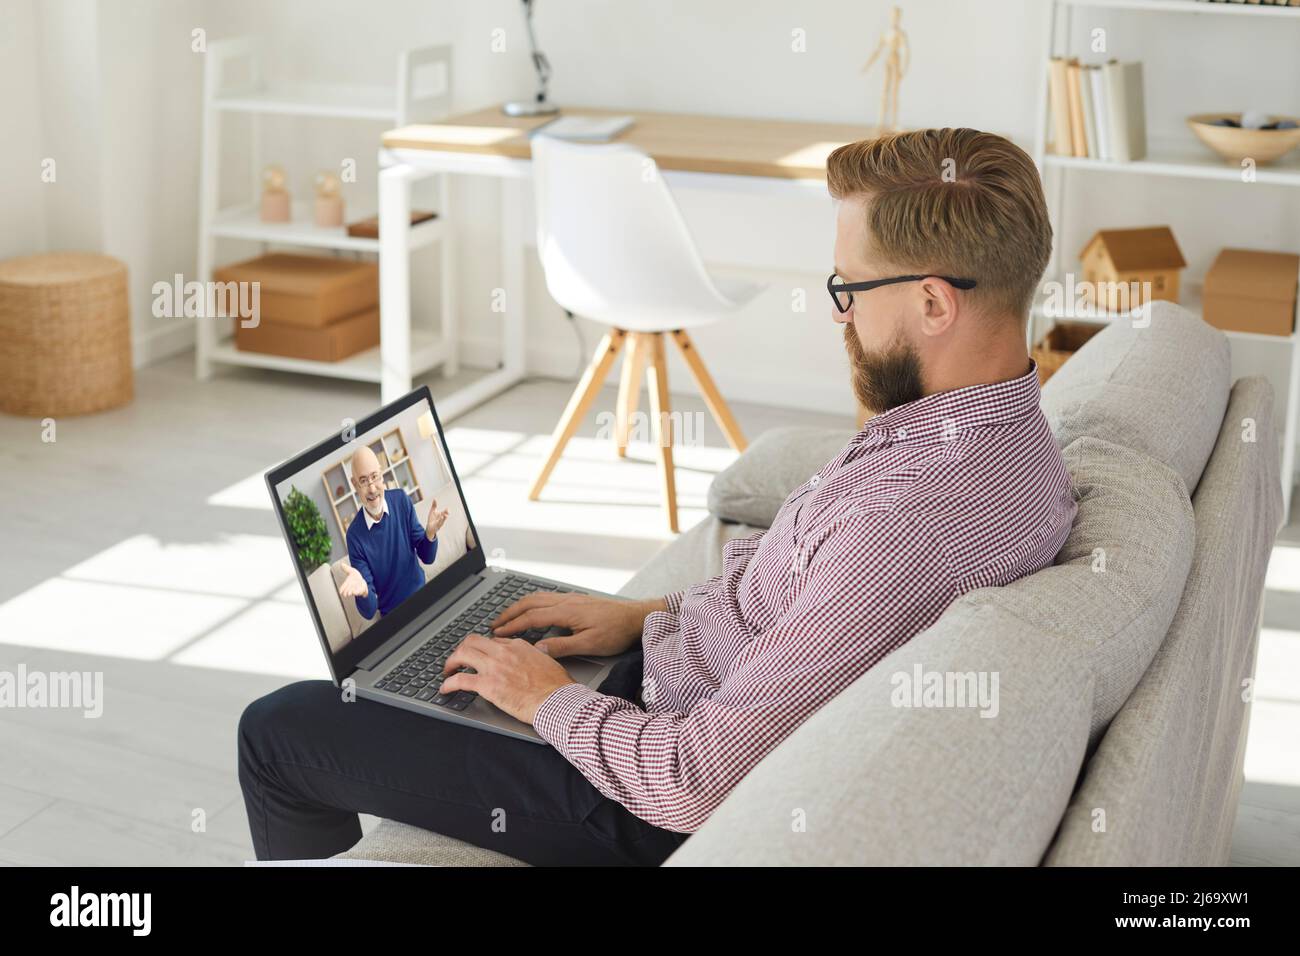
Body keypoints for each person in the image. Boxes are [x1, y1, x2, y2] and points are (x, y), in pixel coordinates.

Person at [239, 128, 1077, 866]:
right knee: (446, 647)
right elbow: (802, 604)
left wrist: (546, 699)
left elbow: (695, 784)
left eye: (848, 290)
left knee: (280, 729)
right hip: (667, 686)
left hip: (640, 799)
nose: (839, 317)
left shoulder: (904, 522)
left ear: (934, 302)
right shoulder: (1003, 439)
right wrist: (643, 618)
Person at [338, 444, 448, 620]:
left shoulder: (400, 500)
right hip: (394, 618)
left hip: (424, 597)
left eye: (375, 477)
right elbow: (369, 611)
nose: (372, 489)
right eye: (364, 481)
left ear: (382, 475)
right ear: (355, 485)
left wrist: (430, 534)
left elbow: (427, 557)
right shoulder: (354, 536)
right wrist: (364, 591)